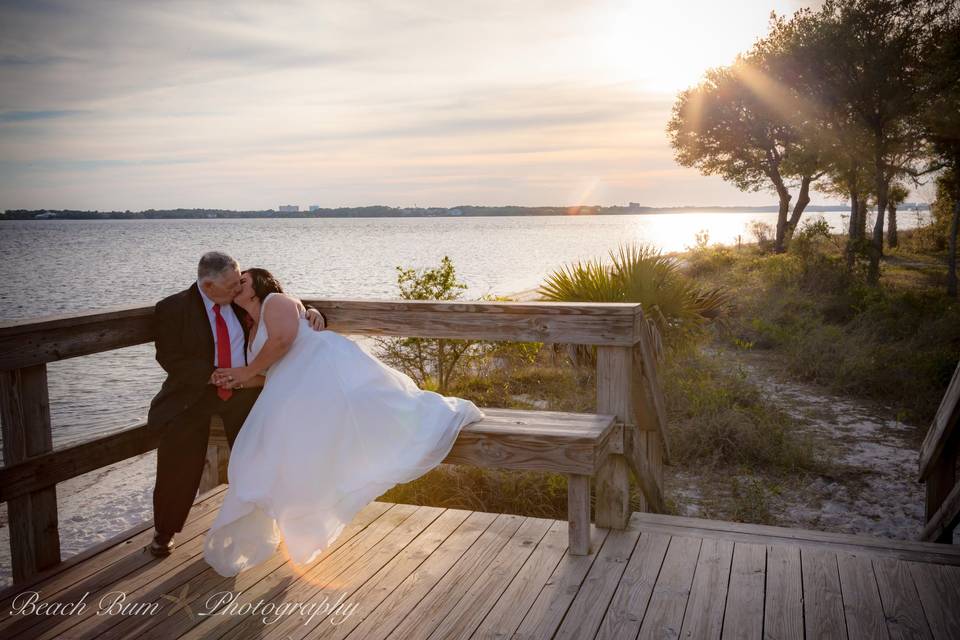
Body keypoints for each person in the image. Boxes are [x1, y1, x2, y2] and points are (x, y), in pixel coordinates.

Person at [201, 268, 485, 577]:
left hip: (326, 367)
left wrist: (246, 369)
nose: (236, 285)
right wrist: (234, 378)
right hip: (297, 388)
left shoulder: (276, 301)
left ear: (259, 284)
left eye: (242, 280)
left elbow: (283, 340)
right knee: (269, 450)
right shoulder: (251, 328)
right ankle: (295, 517)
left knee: (376, 411)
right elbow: (263, 374)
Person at [146, 252, 326, 557]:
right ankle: (165, 531)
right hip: (196, 393)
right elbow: (169, 358)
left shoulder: (239, 302)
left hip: (245, 391)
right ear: (207, 285)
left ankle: (276, 523)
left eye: (240, 281)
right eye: (231, 286)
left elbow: (274, 304)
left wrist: (311, 311)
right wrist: (210, 376)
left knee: (261, 455)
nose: (238, 289)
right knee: (179, 459)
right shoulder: (172, 309)